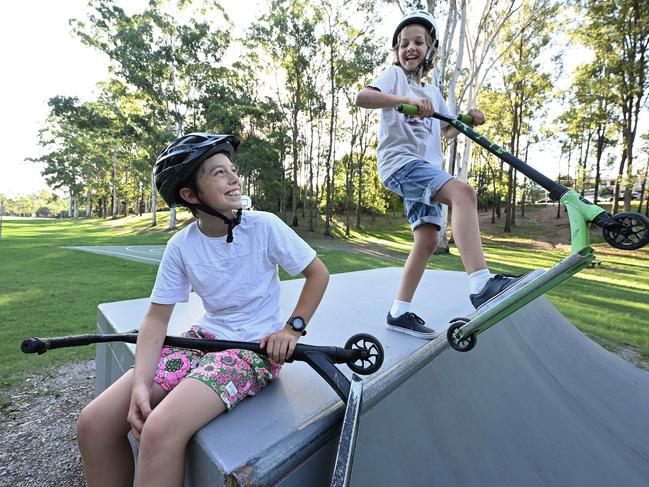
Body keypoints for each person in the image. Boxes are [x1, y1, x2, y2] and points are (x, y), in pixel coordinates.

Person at [76, 133, 330, 487]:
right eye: (219, 173)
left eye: (233, 170)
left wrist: (291, 329)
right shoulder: (181, 245)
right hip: (202, 339)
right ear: (190, 195)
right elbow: (155, 318)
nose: (234, 178)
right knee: (94, 423)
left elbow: (317, 273)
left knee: (159, 429)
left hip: (251, 350)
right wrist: (140, 384)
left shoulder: (265, 226)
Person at [355, 11, 542, 339]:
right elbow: (363, 97)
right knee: (462, 193)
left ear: (429, 49)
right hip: (401, 164)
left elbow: (443, 129)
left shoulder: (433, 92)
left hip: (424, 169)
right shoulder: (394, 76)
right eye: (403, 44)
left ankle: (398, 311)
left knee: (427, 239)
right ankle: (481, 284)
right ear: (397, 51)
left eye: (418, 42)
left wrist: (466, 119)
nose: (409, 48)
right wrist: (405, 100)